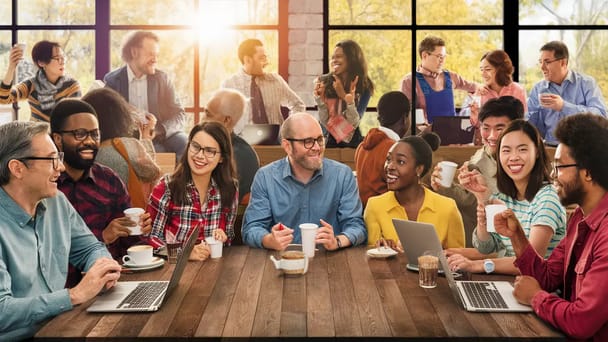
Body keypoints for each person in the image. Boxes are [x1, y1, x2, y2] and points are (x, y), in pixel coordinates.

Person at [0, 121, 121, 340]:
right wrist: (74, 295)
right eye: (51, 160)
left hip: (60, 329)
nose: (61, 168)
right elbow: (2, 311)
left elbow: (90, 248)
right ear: (17, 168)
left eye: (60, 158)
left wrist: (103, 269)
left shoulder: (57, 202)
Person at [495, 113, 608, 340]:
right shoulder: (579, 217)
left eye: (559, 167)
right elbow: (548, 278)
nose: (554, 176)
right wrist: (517, 236)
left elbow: (580, 322)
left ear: (587, 172)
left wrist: (535, 297)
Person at [50, 99, 152, 287]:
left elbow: (131, 245)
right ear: (58, 139)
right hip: (63, 292)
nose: (89, 141)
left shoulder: (109, 180)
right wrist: (103, 237)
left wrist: (140, 230)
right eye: (80, 134)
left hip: (111, 286)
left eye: (94, 134)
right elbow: (50, 255)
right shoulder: (47, 185)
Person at [446, 119, 566, 275]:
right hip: (511, 284)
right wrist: (482, 198)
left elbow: (532, 261)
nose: (513, 157)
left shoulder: (547, 199)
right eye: (506, 150)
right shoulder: (504, 196)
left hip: (542, 291)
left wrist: (479, 265)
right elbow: (486, 247)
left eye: (522, 150)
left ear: (536, 152)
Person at [242, 112, 366, 251]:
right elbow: (252, 228)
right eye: (308, 141)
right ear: (287, 146)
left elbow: (356, 226)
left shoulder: (342, 175)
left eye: (320, 139)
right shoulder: (266, 177)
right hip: (282, 261)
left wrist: (337, 241)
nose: (317, 147)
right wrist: (269, 240)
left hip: (331, 261)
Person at [430, 96, 524, 245]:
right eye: (486, 128)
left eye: (500, 128)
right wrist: (443, 186)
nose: (492, 136)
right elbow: (472, 199)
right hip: (488, 240)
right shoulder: (480, 158)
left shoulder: (528, 159)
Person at [148, 121, 238, 261]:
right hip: (172, 272)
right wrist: (184, 253)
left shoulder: (230, 188)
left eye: (210, 151)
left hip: (213, 270)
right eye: (196, 147)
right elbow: (152, 241)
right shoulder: (166, 187)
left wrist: (223, 236)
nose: (200, 156)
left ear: (221, 158)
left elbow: (229, 236)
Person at [364, 136, 465, 251]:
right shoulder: (374, 206)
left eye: (400, 162)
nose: (390, 166)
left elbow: (458, 259)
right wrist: (382, 247)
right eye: (388, 159)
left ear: (419, 169)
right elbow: (370, 256)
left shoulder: (448, 208)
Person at [104, 31, 188, 159]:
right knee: (154, 152)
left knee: (185, 143)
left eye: (156, 55)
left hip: (160, 135)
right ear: (134, 52)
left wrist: (159, 130)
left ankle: (178, 179)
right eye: (150, 54)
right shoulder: (112, 81)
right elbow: (108, 118)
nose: (155, 59)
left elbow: (180, 114)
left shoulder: (163, 79)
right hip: (127, 138)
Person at [82, 87, 162, 209]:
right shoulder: (127, 145)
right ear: (120, 116)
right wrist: (145, 140)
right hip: (131, 217)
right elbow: (152, 173)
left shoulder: (85, 152)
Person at [527, 41, 607, 146]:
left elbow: (601, 115)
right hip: (550, 148)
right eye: (540, 62)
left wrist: (563, 106)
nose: (542, 67)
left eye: (547, 62)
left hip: (583, 147)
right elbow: (531, 127)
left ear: (563, 63)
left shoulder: (587, 83)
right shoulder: (538, 89)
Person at [221, 38, 305, 135]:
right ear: (247, 60)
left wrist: (288, 128)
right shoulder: (229, 85)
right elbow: (221, 120)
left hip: (275, 144)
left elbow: (298, 105)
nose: (266, 62)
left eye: (265, 57)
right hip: (243, 145)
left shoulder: (275, 81)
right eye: (261, 58)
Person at [400, 35, 478, 124]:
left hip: (452, 134)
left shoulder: (451, 77)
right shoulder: (409, 81)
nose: (443, 61)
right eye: (439, 56)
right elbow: (405, 116)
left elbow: (476, 88)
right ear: (424, 55)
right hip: (425, 136)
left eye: (444, 57)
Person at [313, 39, 375, 147]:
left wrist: (343, 96)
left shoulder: (364, 85)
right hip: (326, 141)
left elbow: (354, 122)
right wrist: (320, 100)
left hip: (351, 144)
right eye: (333, 57)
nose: (334, 60)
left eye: (339, 56)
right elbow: (323, 119)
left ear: (352, 59)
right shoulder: (324, 82)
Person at [0, 40, 81, 122]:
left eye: (63, 57)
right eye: (57, 58)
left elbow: (76, 117)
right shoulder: (31, 85)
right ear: (41, 63)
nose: (63, 62)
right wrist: (11, 67)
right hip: (35, 132)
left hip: (62, 133)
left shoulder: (72, 86)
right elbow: (3, 98)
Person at [202, 88, 260, 203]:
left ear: (226, 120)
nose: (202, 119)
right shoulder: (203, 146)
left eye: (208, 114)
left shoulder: (242, 155)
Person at [355, 91, 410, 207]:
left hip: (365, 214)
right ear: (405, 118)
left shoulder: (362, 146)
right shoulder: (395, 150)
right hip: (387, 216)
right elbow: (404, 193)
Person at [467, 50, 527, 145]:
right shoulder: (479, 92)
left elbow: (522, 121)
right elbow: (475, 126)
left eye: (487, 69)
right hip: (486, 144)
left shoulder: (517, 90)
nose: (483, 74)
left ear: (500, 69)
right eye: (481, 70)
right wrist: (474, 112)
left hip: (511, 141)